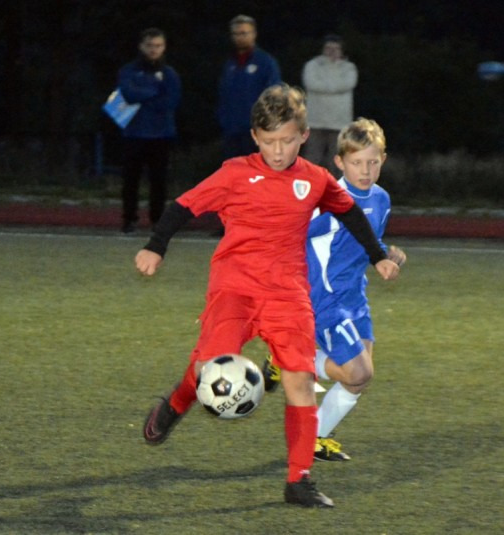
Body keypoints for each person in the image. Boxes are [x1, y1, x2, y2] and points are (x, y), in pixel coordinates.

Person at [136, 85, 400, 508]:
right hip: (235, 288)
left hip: (287, 293)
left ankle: (299, 480)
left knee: (300, 380)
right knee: (207, 370)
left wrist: (378, 255)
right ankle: (175, 403)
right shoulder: (234, 173)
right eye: (270, 141)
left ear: (304, 136)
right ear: (255, 138)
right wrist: (156, 245)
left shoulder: (314, 179)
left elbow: (348, 211)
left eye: (288, 141)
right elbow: (184, 206)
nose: (278, 151)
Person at [263, 118, 406, 462]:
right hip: (324, 298)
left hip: (355, 297)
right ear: (340, 162)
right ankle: (288, 358)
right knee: (359, 371)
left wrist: (385, 254)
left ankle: (316, 437)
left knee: (358, 379)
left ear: (383, 160)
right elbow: (288, 232)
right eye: (357, 162)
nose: (366, 171)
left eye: (373, 162)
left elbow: (364, 241)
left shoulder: (381, 199)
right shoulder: (328, 202)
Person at [117, 28, 182, 234]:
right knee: (130, 181)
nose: (154, 49)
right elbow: (127, 94)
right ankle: (129, 220)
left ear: (164, 48)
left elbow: (170, 102)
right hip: (133, 133)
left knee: (159, 182)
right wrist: (154, 92)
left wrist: (142, 96)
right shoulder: (128, 70)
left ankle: (157, 220)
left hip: (162, 134)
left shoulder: (170, 74)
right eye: (150, 45)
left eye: (158, 46)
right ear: (141, 46)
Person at [217, 15, 281, 159]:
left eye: (244, 33)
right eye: (235, 34)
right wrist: (224, 119)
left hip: (257, 129)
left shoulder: (265, 62)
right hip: (232, 129)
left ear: (254, 34)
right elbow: (223, 95)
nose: (240, 37)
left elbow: (274, 94)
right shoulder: (230, 64)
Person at [301, 35, 358, 175]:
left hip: (339, 123)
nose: (332, 51)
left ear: (341, 50)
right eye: (328, 48)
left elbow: (348, 84)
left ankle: (336, 187)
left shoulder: (349, 68)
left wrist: (325, 85)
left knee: (337, 161)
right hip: (315, 122)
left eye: (336, 48)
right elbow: (311, 83)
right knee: (312, 158)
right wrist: (335, 86)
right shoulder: (312, 65)